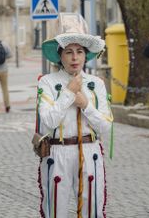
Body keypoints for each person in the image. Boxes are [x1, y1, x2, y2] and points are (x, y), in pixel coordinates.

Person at [36, 13, 113, 218]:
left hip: (90, 151)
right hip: (57, 152)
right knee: (55, 210)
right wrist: (69, 93)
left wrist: (86, 104)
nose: (74, 57)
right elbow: (48, 121)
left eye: (79, 51)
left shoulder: (96, 84)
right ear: (60, 55)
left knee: (92, 211)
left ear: (86, 55)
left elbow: (105, 126)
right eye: (69, 52)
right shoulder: (48, 82)